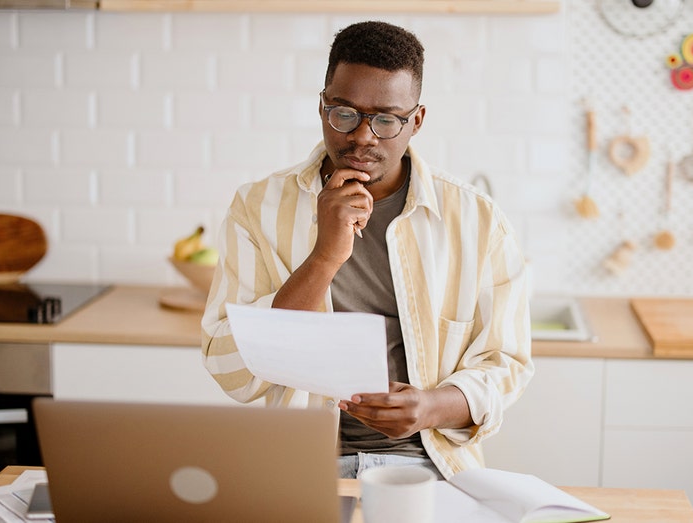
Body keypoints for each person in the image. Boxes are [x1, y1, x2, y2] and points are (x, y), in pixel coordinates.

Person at [202, 20, 534, 481]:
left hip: (428, 466)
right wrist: (324, 257)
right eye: (344, 113)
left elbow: (506, 364)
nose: (362, 136)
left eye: (386, 119)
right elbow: (229, 366)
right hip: (301, 467)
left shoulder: (476, 220)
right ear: (322, 107)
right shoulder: (257, 208)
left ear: (416, 121)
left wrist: (431, 407)